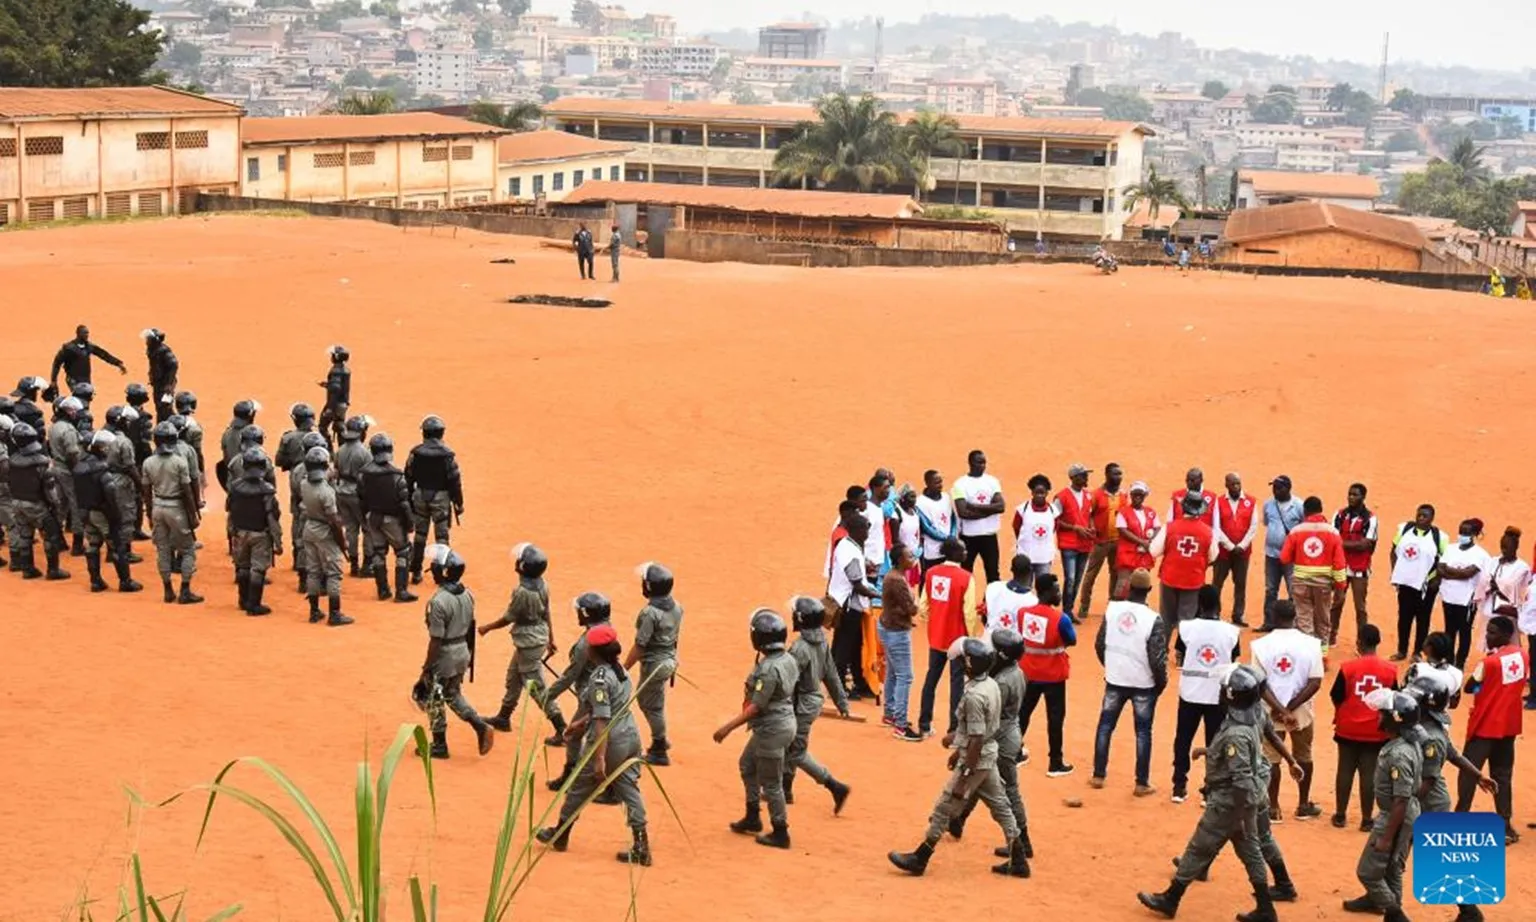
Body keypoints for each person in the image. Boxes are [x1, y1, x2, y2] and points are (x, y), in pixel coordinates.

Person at [1136, 665, 1277, 922]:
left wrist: (1243, 817)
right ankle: (1266, 909)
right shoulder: (1251, 717)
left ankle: (1171, 898)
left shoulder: (1235, 733)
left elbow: (1241, 781)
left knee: (1199, 847)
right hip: (1243, 805)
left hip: (1229, 805)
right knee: (1251, 853)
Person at [888, 637, 1030, 878]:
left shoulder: (975, 695)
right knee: (1001, 806)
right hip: (989, 754)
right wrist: (957, 746)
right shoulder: (991, 685)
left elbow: (976, 737)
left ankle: (921, 857)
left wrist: (964, 775)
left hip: (976, 759)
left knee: (944, 806)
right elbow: (982, 732)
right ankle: (1019, 860)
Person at [535, 623, 653, 866]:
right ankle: (642, 844)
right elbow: (610, 707)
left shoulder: (599, 678)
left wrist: (599, 759)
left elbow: (602, 720)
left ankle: (560, 833)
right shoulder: (621, 670)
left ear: (593, 650)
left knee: (579, 786)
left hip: (610, 738)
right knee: (629, 787)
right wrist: (580, 723)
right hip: (631, 734)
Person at [714, 608, 800, 849]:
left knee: (771, 782)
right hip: (778, 725)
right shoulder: (788, 659)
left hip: (772, 729)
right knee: (747, 765)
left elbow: (756, 708)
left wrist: (727, 728)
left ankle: (781, 831)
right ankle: (752, 816)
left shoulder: (768, 669)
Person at [947, 629, 1032, 861]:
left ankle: (1022, 841)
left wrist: (957, 746)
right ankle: (958, 820)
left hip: (1001, 739)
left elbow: (986, 721)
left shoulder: (1002, 682)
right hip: (1009, 734)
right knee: (982, 779)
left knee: (1005, 790)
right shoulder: (1016, 673)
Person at [1341, 691, 1422, 920]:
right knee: (1392, 868)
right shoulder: (1410, 742)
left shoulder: (1398, 753)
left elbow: (1401, 799)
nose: (1378, 717)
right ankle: (1390, 914)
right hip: (1405, 814)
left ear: (1394, 720)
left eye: (1383, 714)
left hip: (1396, 815)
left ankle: (1396, 914)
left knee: (1368, 873)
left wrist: (1386, 837)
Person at [413, 545, 496, 760]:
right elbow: (470, 626)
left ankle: (439, 745)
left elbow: (436, 640)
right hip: (462, 651)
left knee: (435, 698)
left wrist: (426, 669)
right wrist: (467, 656)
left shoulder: (438, 602)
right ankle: (479, 725)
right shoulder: (468, 594)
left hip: (445, 656)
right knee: (453, 693)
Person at [1093, 568, 1169, 794]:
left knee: (1105, 726)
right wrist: (1161, 682)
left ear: (1129, 588)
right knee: (1143, 732)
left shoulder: (1112, 609)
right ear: (1149, 590)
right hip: (1143, 683)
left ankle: (1098, 775)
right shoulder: (1153, 619)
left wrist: (1112, 665)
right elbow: (1157, 658)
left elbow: (1099, 644)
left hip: (1115, 678)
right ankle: (1141, 782)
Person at [1455, 615, 1528, 842]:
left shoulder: (1489, 663)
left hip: (1485, 726)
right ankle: (1505, 825)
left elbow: (1469, 688)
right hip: (1508, 726)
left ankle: (1460, 821)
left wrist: (1482, 690)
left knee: (1469, 773)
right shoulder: (1522, 656)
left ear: (1506, 634)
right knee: (1503, 775)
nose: (1488, 636)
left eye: (1493, 632)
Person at [1250, 600, 1325, 820]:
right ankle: (1303, 805)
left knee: (1271, 758)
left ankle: (1273, 808)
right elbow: (1315, 682)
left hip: (1269, 711)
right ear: (1295, 617)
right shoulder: (1312, 644)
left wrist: (1280, 709)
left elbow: (1259, 684)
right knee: (1304, 755)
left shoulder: (1260, 645)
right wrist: (1290, 708)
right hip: (1300, 710)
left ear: (1273, 617)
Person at [481, 544, 562, 736]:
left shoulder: (522, 593)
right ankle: (503, 717)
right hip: (534, 640)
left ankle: (561, 726)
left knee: (536, 687)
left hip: (529, 643)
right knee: (514, 678)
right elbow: (547, 611)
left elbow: (509, 618)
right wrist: (551, 638)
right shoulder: (543, 584)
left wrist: (487, 628)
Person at [1170, 585, 1241, 803]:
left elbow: (1179, 654)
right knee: (1215, 743)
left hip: (1190, 692)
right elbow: (1234, 657)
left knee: (1183, 739)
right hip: (1217, 696)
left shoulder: (1187, 627)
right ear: (1218, 604)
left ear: (1199, 604)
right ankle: (1210, 789)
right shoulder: (1231, 631)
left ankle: (1179, 786)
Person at [783, 596, 853, 811]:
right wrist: (841, 702)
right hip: (812, 702)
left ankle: (834, 786)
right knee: (790, 744)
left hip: (800, 704)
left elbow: (789, 682)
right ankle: (785, 790)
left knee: (796, 750)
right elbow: (831, 673)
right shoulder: (822, 641)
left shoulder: (799, 649)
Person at [1330, 624, 1398, 830]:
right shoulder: (1390, 670)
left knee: (1345, 770)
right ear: (1378, 642)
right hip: (1375, 731)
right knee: (1369, 774)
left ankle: (1340, 815)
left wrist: (1345, 712)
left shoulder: (1347, 668)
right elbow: (1393, 700)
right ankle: (1367, 819)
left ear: (1359, 642)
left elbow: (1336, 696)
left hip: (1348, 727)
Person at [543, 592, 612, 789]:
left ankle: (572, 774)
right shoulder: (607, 630)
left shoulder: (586, 643)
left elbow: (570, 675)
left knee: (574, 735)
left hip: (591, 695)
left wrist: (549, 694)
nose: (577, 615)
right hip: (605, 690)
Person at [917, 539, 979, 738]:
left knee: (931, 679)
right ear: (956, 553)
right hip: (957, 640)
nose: (966, 552)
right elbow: (969, 612)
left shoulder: (931, 573)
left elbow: (923, 606)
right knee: (956, 684)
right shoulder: (966, 578)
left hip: (936, 636)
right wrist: (970, 638)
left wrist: (935, 621)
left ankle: (924, 724)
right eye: (963, 550)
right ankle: (954, 729)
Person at [624, 562, 683, 765]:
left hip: (654, 665)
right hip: (668, 661)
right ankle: (661, 740)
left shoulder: (650, 613)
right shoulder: (677, 607)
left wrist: (623, 669)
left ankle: (659, 747)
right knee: (653, 702)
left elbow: (640, 645)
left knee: (650, 705)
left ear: (649, 587)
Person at [1018, 574, 1076, 776]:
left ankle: (1014, 752)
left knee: (1022, 714)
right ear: (1046, 592)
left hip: (1028, 673)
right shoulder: (1061, 618)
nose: (1059, 593)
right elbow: (1072, 640)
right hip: (1053, 675)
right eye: (1056, 590)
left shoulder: (1023, 613)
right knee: (1055, 719)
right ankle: (1055, 762)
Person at [72, 432, 140, 593]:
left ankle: (95, 581)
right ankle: (125, 581)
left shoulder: (79, 466)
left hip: (86, 511)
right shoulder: (101, 469)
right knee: (117, 546)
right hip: (102, 513)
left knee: (93, 545)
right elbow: (109, 493)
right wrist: (115, 515)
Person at [1279, 495, 1347, 653]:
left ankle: (1306, 656)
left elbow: (1284, 558)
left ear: (1305, 511)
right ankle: (1322, 657)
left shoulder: (1296, 531)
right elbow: (1339, 564)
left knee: (1303, 619)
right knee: (1323, 619)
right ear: (1321, 510)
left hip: (1300, 583)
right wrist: (1340, 587)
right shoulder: (1333, 532)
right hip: (1323, 585)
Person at [142, 422, 200, 603]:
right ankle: (185, 590)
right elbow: (187, 492)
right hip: (177, 509)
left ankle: (167, 590)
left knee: (163, 550)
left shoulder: (148, 462)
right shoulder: (179, 462)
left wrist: (150, 513)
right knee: (188, 550)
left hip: (158, 506)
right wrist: (193, 515)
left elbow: (146, 491)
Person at [358, 432, 417, 604]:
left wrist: (365, 518)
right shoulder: (397, 476)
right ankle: (401, 591)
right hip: (392, 519)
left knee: (378, 552)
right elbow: (404, 503)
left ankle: (383, 590)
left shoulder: (363, 474)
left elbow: (361, 499)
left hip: (372, 518)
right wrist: (409, 523)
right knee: (402, 552)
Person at [405, 415, 463, 585]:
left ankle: (415, 571)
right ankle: (439, 572)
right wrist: (459, 502)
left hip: (420, 496)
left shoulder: (415, 453)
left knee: (420, 535)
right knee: (442, 537)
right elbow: (455, 480)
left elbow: (408, 476)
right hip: (441, 498)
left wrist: (409, 498)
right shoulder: (448, 455)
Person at [827, 510, 879, 699]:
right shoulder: (851, 551)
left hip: (844, 604)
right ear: (857, 530)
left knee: (850, 645)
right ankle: (838, 687)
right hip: (850, 607)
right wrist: (876, 594)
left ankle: (858, 682)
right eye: (866, 528)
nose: (868, 531)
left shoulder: (848, 546)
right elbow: (856, 583)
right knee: (844, 647)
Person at [299, 446, 353, 626]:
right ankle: (335, 614)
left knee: (313, 571)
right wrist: (342, 541)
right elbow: (334, 521)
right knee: (333, 573)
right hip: (325, 533)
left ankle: (314, 611)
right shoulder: (327, 492)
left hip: (309, 529)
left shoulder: (304, 483)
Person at [225, 447, 282, 616]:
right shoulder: (267, 490)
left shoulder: (235, 488)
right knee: (258, 569)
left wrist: (232, 531)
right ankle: (254, 604)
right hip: (260, 534)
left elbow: (230, 511)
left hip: (240, 532)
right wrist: (278, 541)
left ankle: (243, 600)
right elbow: (272, 518)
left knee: (242, 566)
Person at [1388, 503, 1448, 661]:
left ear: (1432, 518)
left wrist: (1437, 580)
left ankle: (1417, 652)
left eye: (1425, 516)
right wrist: (1396, 572)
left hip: (1426, 586)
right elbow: (1393, 551)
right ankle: (1402, 650)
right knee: (1404, 617)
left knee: (1423, 619)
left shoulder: (1440, 537)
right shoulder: (1404, 529)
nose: (1420, 518)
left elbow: (1445, 560)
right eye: (1419, 515)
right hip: (1406, 584)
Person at [1150, 493, 1217, 625]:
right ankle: (1183, 645)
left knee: (1166, 618)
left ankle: (1162, 645)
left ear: (1183, 508)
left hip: (1169, 578)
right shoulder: (1208, 532)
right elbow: (1213, 556)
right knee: (1187, 620)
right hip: (1193, 580)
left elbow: (1153, 551)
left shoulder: (1169, 527)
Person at [1438, 518, 1491, 669]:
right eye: (1460, 531)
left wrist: (1450, 572)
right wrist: (1459, 573)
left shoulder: (1480, 554)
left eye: (1466, 532)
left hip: (1466, 600)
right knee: (1449, 629)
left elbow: (1469, 573)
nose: (1462, 535)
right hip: (1448, 597)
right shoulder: (1450, 548)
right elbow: (1440, 568)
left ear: (1474, 534)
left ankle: (1460, 662)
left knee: (1464, 631)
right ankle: (1448, 659)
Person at [881, 544, 921, 739]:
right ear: (899, 560)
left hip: (889, 626)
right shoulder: (897, 580)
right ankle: (901, 724)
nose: (912, 558)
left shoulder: (894, 576)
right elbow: (911, 609)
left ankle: (890, 713)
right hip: (896, 631)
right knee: (905, 676)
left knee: (893, 672)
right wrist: (916, 603)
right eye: (908, 556)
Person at [1331, 483, 1379, 647]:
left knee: (1360, 608)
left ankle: (1362, 642)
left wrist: (1341, 544)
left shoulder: (1370, 518)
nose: (1351, 497)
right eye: (1350, 494)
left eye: (1355, 495)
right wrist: (1353, 544)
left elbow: (1365, 544)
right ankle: (1331, 636)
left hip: (1360, 568)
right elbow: (1333, 540)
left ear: (1363, 497)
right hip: (1340, 566)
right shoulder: (1339, 515)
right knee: (1336, 602)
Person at [1473, 526, 1528, 663]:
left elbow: (1522, 592)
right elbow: (1482, 580)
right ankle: (1491, 667)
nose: (1503, 550)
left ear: (1515, 548)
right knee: (1490, 642)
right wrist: (1488, 586)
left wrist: (1498, 587)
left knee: (1508, 646)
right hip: (1490, 609)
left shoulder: (1522, 568)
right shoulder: (1493, 562)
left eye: (1507, 548)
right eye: (1502, 547)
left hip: (1506, 612)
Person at [1211, 473, 1258, 627]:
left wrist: (1241, 546)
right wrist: (1230, 546)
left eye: (1238, 483)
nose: (1236, 487)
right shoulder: (1218, 502)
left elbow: (1253, 527)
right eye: (1233, 484)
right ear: (1226, 485)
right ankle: (1213, 612)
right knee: (1217, 583)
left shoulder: (1251, 502)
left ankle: (1238, 615)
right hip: (1223, 552)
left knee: (1240, 584)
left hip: (1242, 552)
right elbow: (1216, 526)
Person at [1257, 475, 1304, 633]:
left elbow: (1303, 528)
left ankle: (1292, 624)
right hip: (1271, 555)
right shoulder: (1268, 504)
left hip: (1291, 557)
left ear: (1288, 488)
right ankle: (1269, 622)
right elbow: (1266, 523)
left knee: (1293, 590)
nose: (1275, 491)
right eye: (1274, 487)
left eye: (1279, 488)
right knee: (1270, 589)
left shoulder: (1298, 505)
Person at [1080, 463, 1126, 618]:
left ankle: (1112, 607)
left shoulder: (1123, 496)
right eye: (1115, 474)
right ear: (1106, 475)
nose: (1118, 477)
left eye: (1120, 474)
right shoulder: (1096, 495)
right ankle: (1084, 606)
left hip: (1118, 541)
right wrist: (1092, 528)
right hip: (1100, 542)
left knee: (1115, 574)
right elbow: (1088, 514)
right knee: (1091, 575)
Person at [953, 449, 1005, 585]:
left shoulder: (992, 481)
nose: (982, 465)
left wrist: (974, 506)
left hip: (989, 535)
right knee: (965, 572)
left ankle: (990, 604)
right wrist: (989, 510)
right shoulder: (960, 484)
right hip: (968, 537)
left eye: (984, 462)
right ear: (970, 463)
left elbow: (1001, 506)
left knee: (993, 572)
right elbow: (963, 512)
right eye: (979, 462)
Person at [1056, 463, 1096, 622]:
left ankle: (1069, 610)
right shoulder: (1061, 497)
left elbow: (1090, 515)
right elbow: (1055, 520)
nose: (1086, 478)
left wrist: (1091, 527)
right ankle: (1066, 611)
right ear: (1073, 478)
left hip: (1085, 544)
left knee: (1078, 579)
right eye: (1083, 475)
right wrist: (1075, 528)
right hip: (1069, 544)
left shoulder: (1088, 496)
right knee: (1070, 578)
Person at [333, 415, 373, 576]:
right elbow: (370, 476)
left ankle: (354, 564)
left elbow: (335, 470)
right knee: (368, 529)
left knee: (350, 529)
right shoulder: (364, 452)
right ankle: (367, 565)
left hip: (341, 492)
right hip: (358, 494)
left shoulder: (340, 450)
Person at [47, 396, 86, 556]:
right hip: (68, 471)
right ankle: (77, 544)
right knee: (76, 505)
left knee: (60, 504)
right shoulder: (69, 430)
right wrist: (77, 471)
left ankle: (57, 539)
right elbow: (72, 454)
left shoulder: (54, 426)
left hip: (56, 467)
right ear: (70, 411)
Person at [1114, 481, 1160, 599]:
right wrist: (1142, 542)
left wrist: (1150, 541)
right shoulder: (1123, 512)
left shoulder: (1151, 512)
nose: (1137, 496)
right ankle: (1118, 608)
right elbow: (1122, 530)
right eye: (1135, 494)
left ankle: (1139, 605)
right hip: (1127, 554)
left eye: (1140, 494)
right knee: (1123, 585)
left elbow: (1157, 528)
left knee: (1142, 584)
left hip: (1144, 555)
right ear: (1131, 495)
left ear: (1145, 496)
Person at [50, 325, 126, 392]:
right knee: (79, 396)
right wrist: (53, 380)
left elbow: (104, 355)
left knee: (85, 398)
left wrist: (118, 363)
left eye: (87, 333)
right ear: (78, 333)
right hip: (73, 379)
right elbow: (57, 363)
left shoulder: (89, 346)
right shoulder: (68, 348)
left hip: (86, 379)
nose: (87, 335)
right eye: (84, 333)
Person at [1012, 474, 1058, 582]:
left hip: (1045, 557)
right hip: (1026, 556)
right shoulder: (1022, 509)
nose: (1040, 495)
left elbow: (1054, 529)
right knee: (1025, 586)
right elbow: (1016, 527)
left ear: (1047, 493)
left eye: (1042, 493)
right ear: (1032, 492)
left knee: (1043, 586)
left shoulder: (1053, 511)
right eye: (1037, 492)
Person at [982, 553, 1040, 639]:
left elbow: (984, 617)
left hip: (988, 642)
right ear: (1031, 572)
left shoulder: (993, 587)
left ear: (1011, 569)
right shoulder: (1033, 602)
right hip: (1013, 648)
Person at [915, 469, 957, 575]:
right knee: (928, 577)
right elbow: (926, 527)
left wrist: (952, 536)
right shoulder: (920, 502)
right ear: (928, 483)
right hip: (931, 550)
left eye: (940, 481)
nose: (940, 485)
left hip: (948, 548)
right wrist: (946, 538)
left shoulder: (946, 497)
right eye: (936, 482)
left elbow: (952, 518)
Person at [217, 399, 261, 491]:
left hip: (232, 481)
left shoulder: (227, 433)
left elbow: (225, 458)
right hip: (250, 482)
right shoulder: (252, 435)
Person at [141, 328, 179, 423]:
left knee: (165, 407)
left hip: (165, 384)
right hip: (158, 382)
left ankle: (175, 424)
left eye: (148, 338)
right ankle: (161, 425)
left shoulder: (163, 351)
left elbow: (174, 364)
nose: (146, 340)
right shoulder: (152, 349)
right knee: (159, 406)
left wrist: (169, 385)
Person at [317, 345, 351, 448]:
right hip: (343, 403)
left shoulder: (335, 371)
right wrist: (327, 385)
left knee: (322, 427)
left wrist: (330, 408)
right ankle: (343, 449)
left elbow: (335, 390)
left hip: (335, 404)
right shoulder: (346, 370)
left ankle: (329, 449)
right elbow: (339, 387)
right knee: (339, 426)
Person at [275, 403, 317, 476]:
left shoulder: (288, 438)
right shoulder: (319, 437)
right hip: (315, 475)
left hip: (296, 475)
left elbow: (278, 461)